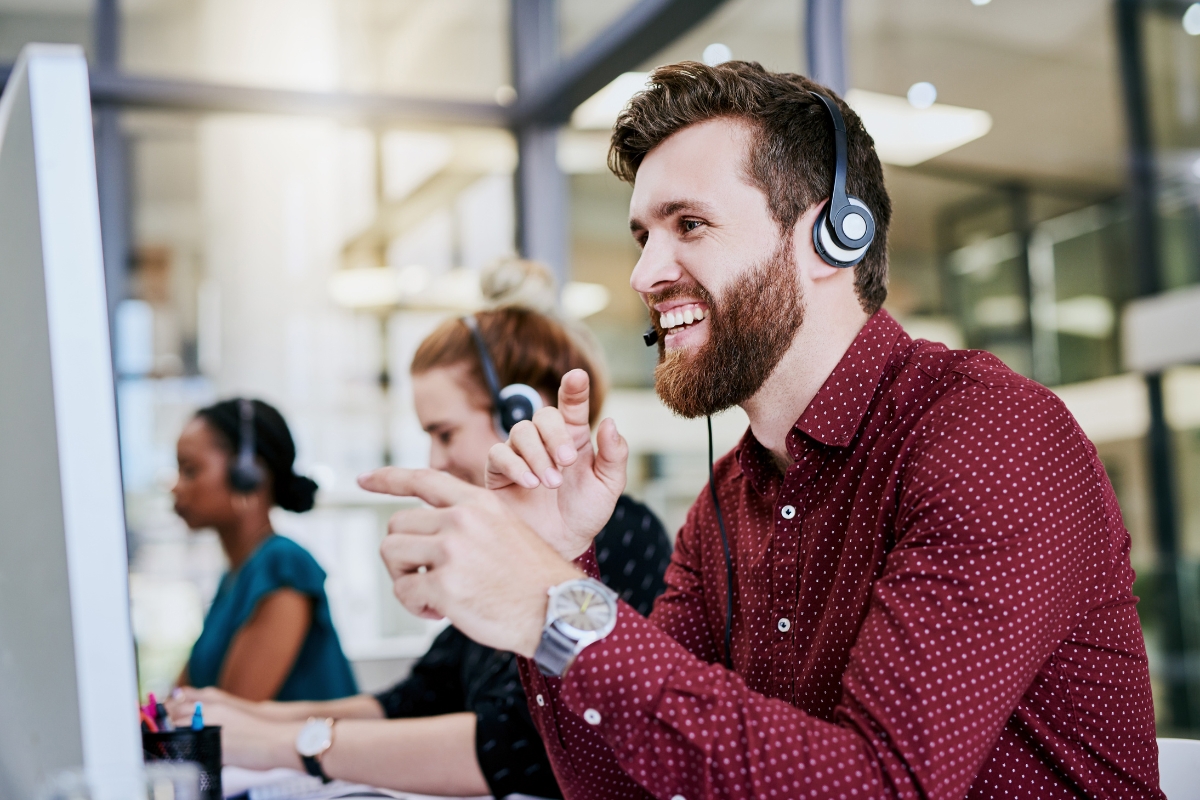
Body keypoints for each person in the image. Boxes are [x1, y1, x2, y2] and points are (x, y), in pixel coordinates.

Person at [359, 61, 1163, 800]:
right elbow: (617, 790)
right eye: (643, 235)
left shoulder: (990, 434)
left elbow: (881, 787)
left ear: (830, 237)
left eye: (690, 224)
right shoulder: (727, 502)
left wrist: (556, 606)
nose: (643, 275)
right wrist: (563, 564)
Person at [169, 305, 672, 799]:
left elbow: (513, 746)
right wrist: (241, 717)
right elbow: (414, 701)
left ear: (521, 414)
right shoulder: (506, 549)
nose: (435, 460)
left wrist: (282, 743)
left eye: (445, 433)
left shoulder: (617, 534)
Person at [174, 398, 357, 702]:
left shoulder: (282, 565)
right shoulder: (235, 576)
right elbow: (180, 700)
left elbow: (231, 716)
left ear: (247, 474)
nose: (176, 487)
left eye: (190, 470)